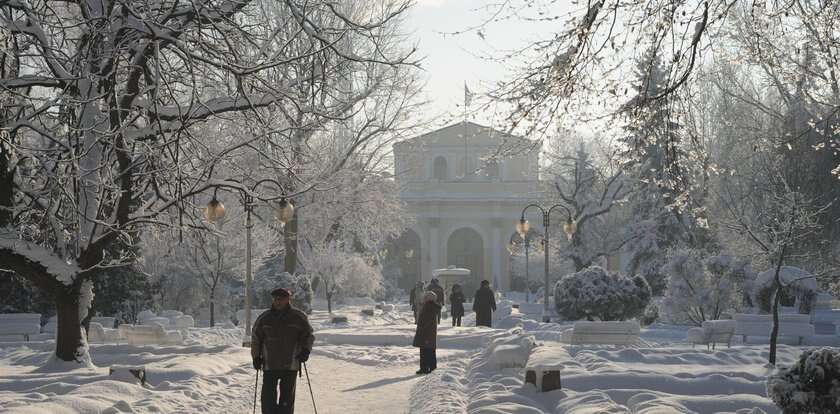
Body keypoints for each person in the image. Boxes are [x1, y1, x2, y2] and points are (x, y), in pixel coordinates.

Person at [252, 287, 314, 414]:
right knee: (268, 401)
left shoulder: (298, 317)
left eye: (281, 299)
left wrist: (305, 350)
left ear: (288, 299)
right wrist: (256, 357)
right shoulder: (264, 318)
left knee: (286, 402)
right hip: (269, 365)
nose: (278, 301)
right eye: (275, 299)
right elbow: (256, 339)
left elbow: (308, 335)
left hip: (290, 365)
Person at [413, 291, 440, 374]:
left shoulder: (429, 307)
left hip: (426, 333)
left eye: (425, 297)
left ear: (428, 299)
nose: (423, 298)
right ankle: (430, 368)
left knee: (425, 351)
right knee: (429, 351)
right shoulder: (431, 306)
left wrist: (421, 330)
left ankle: (425, 368)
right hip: (429, 333)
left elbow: (425, 321)